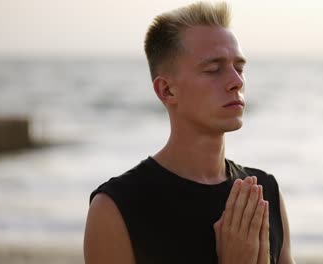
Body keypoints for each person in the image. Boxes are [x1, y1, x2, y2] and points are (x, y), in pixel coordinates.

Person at [83, 2, 294, 264]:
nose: (236, 81)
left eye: (239, 68)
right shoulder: (116, 208)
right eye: (214, 69)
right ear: (167, 91)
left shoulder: (264, 193)